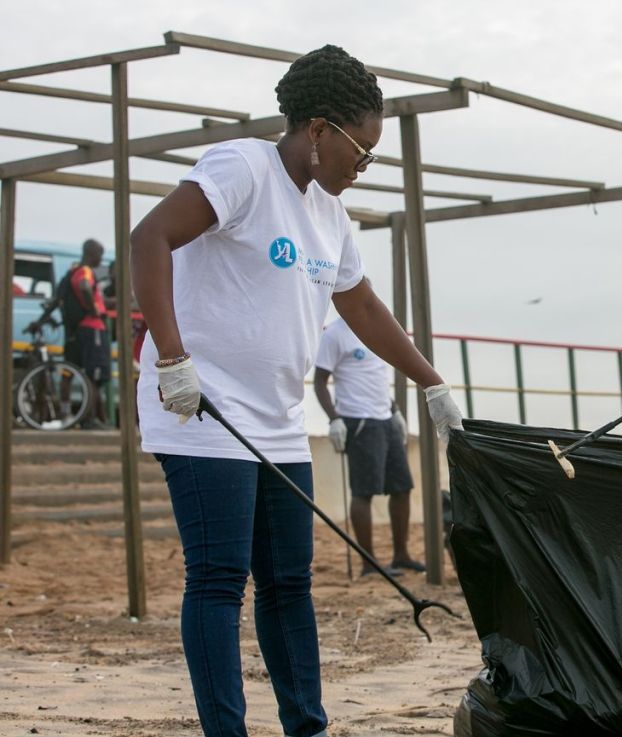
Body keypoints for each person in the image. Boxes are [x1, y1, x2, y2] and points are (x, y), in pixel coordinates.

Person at [130, 45, 463, 737]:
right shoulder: (243, 168)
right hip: (202, 403)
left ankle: (305, 727)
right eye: (359, 151)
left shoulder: (331, 217)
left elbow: (361, 305)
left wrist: (430, 381)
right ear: (318, 131)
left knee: (288, 580)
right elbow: (150, 237)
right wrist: (170, 355)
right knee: (219, 576)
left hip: (277, 420)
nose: (361, 166)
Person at [314, 317, 424, 577]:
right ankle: (368, 563)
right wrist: (335, 419)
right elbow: (320, 381)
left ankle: (401, 555)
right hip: (359, 421)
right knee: (363, 492)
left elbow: (374, 379)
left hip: (385, 418)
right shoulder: (334, 335)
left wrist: (394, 409)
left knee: (402, 487)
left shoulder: (372, 329)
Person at [28, 238, 111, 428]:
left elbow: (57, 300)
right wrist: (94, 309)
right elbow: (84, 286)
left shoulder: (69, 274)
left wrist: (40, 321)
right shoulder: (85, 271)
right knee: (93, 375)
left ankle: (68, 416)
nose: (100, 259)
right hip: (93, 328)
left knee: (68, 372)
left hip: (74, 333)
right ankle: (90, 420)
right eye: (100, 254)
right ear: (91, 253)